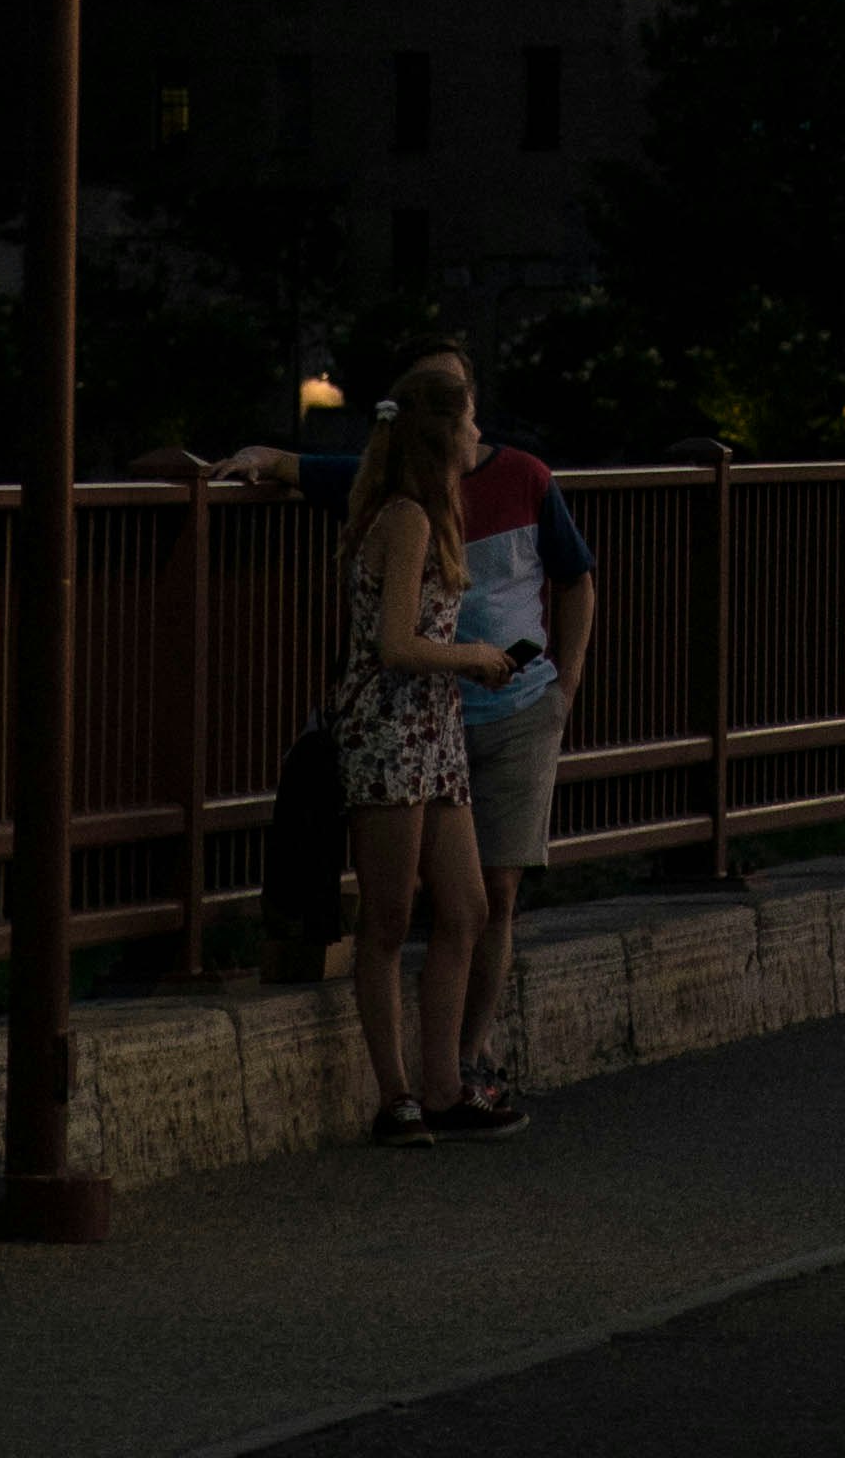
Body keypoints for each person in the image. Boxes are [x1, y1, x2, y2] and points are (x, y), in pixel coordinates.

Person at [334, 356, 542, 1144]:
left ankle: (446, 1085)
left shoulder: (432, 511)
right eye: (470, 422)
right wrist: (478, 658)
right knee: (388, 921)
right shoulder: (407, 518)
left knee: (468, 907)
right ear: (441, 435)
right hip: (391, 729)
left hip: (434, 732)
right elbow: (392, 644)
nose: (480, 435)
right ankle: (398, 1100)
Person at [447, 374, 599, 1111]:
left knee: (498, 890)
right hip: (434, 716)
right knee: (449, 898)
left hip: (518, 707)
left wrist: (562, 690)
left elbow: (576, 579)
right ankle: (441, 1056)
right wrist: (273, 461)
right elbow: (322, 472)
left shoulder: (527, 478)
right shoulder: (406, 486)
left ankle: (469, 1050)